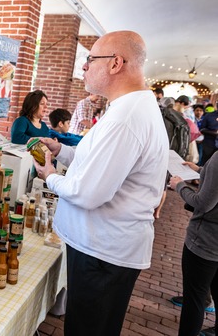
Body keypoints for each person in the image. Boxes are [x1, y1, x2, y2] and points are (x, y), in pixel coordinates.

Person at [32, 31, 169, 335]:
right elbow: (100, 161)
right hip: (104, 246)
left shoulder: (126, 117)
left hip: (102, 252)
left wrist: (50, 175)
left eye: (91, 59)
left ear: (116, 63)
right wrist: (63, 151)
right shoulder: (127, 108)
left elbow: (88, 192)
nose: (84, 66)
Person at [169, 153, 218, 336]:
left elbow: (203, 203)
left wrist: (179, 186)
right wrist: (200, 170)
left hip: (206, 241)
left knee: (194, 299)